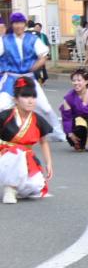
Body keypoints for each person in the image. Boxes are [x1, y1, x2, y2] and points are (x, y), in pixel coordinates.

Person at [0, 12, 65, 141]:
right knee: (2, 106)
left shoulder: (33, 39)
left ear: (24, 24)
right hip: (11, 79)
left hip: (29, 78)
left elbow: (43, 55)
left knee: (45, 108)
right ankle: (5, 135)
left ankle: (57, 132)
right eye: (15, 23)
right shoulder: (4, 40)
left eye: (20, 23)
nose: (18, 26)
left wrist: (35, 66)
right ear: (12, 25)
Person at [0, 76, 53, 204]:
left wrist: (49, 163)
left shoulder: (37, 119)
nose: (30, 101)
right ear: (16, 100)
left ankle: (14, 187)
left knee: (36, 186)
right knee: (17, 151)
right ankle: (10, 188)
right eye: (25, 97)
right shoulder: (5, 116)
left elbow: (43, 141)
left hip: (25, 158)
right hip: (4, 157)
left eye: (33, 97)